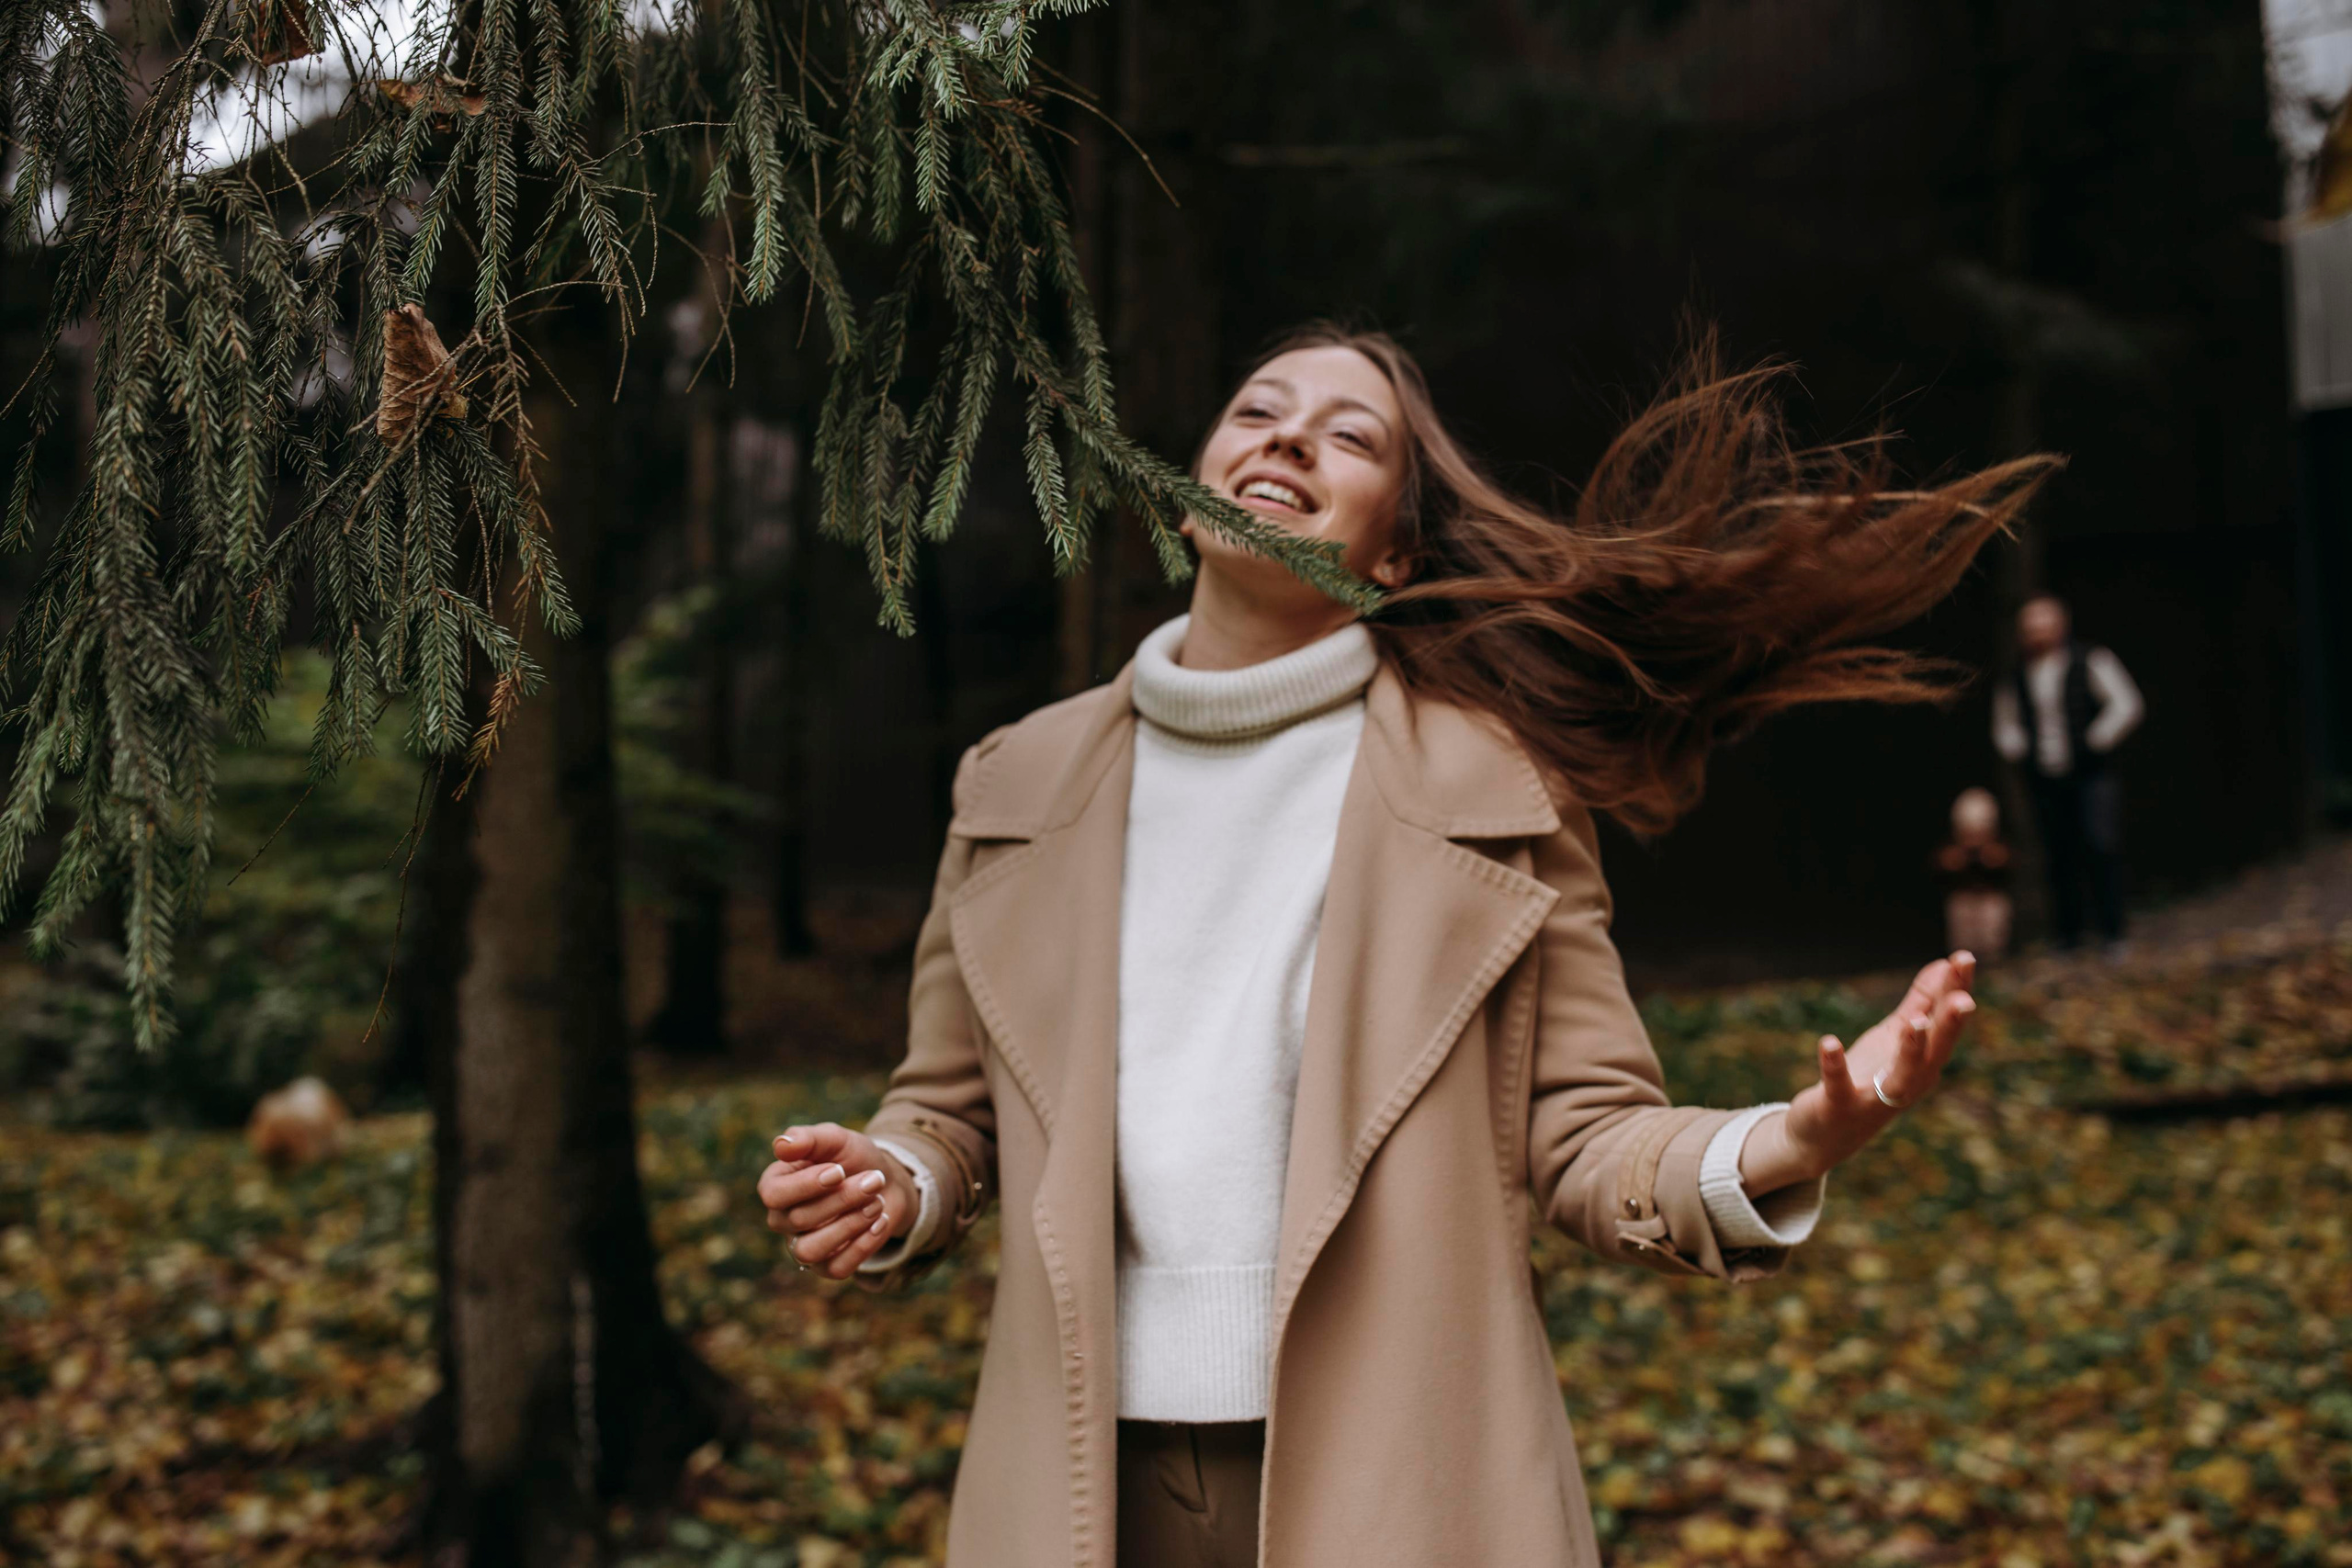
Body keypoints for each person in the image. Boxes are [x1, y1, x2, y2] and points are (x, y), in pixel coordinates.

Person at [756, 327, 2042, 1568]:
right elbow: (948, 1108)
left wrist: (1792, 1141)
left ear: (1396, 552)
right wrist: (891, 1178)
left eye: (1348, 435)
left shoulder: (1499, 791)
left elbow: (1587, 1133)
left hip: (1402, 1480)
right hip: (1081, 1481)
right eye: (1259, 410)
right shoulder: (1015, 781)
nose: (1289, 439)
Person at [1991, 594, 2143, 952]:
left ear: (2060, 626)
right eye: (2029, 629)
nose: (2036, 635)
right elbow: (2005, 725)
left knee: (2100, 845)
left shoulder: (2091, 659)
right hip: (2044, 776)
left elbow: (2126, 704)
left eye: (2042, 626)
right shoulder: (2016, 676)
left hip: (2091, 773)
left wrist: (2097, 739)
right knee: (2058, 853)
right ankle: (2068, 936)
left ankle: (2113, 932)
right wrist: (2019, 749)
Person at [1936, 786, 2014, 961]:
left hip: (1989, 900)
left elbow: (2003, 860)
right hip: (1963, 902)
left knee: (1992, 944)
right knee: (1963, 952)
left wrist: (1985, 851)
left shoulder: (1996, 847)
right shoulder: (1954, 849)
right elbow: (1945, 864)